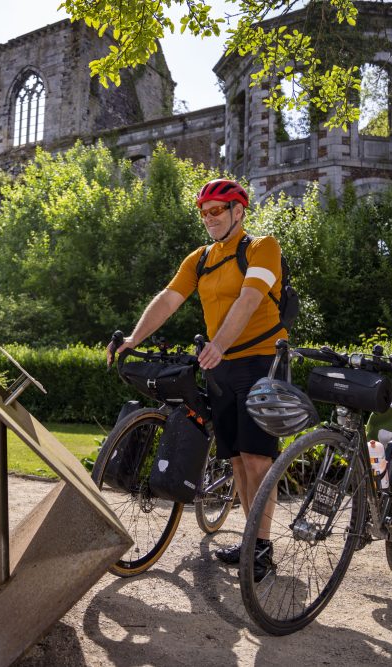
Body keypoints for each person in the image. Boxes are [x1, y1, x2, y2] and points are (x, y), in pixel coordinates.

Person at [107, 178, 285, 578]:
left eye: (217, 210)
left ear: (239, 211)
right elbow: (169, 299)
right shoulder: (200, 258)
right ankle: (250, 539)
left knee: (258, 458)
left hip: (260, 361)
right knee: (237, 458)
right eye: (204, 212)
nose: (209, 218)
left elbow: (250, 298)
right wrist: (135, 337)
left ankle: (261, 547)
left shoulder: (262, 247)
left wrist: (219, 343)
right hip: (220, 364)